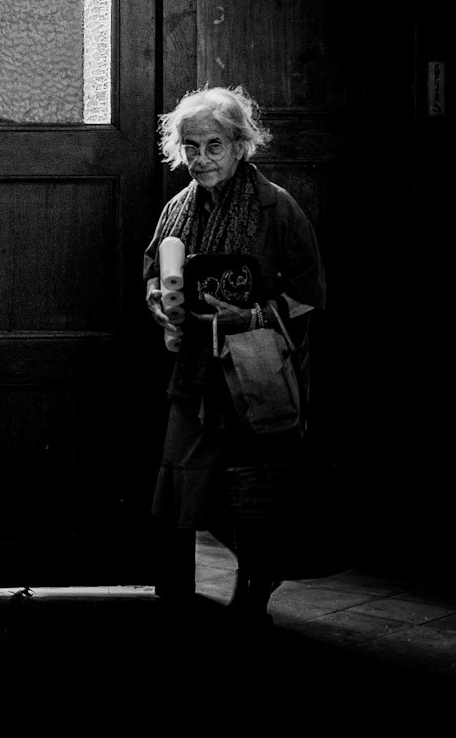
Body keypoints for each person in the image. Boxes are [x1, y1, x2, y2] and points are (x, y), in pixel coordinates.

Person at [144, 85, 325, 627]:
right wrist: (157, 301)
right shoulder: (177, 209)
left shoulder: (277, 207)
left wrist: (250, 317)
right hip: (196, 371)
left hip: (256, 370)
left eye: (214, 146)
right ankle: (183, 589)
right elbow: (154, 269)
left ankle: (254, 589)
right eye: (191, 147)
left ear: (240, 145)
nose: (201, 159)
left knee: (255, 488)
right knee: (187, 479)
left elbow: (309, 294)